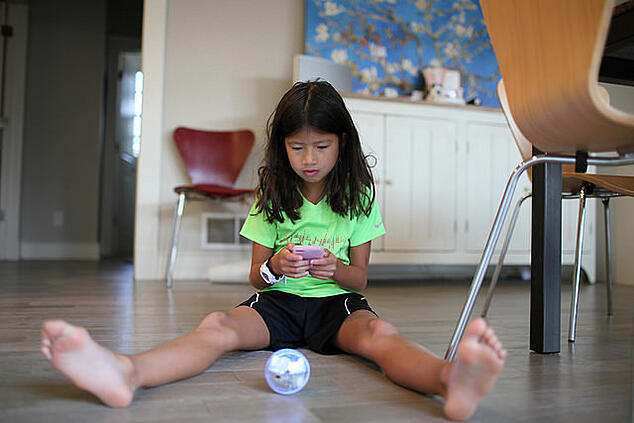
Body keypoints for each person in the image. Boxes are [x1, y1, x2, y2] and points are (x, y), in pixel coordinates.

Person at [41, 80, 506, 421]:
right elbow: (256, 276)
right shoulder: (273, 193)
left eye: (321, 146)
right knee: (218, 326)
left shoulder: (359, 197)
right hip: (277, 304)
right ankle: (127, 372)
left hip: (336, 305)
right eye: (297, 147)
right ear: (282, 147)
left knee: (380, 335)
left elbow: (360, 278)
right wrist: (275, 266)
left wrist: (334, 269)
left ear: (342, 143)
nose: (309, 159)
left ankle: (449, 381)